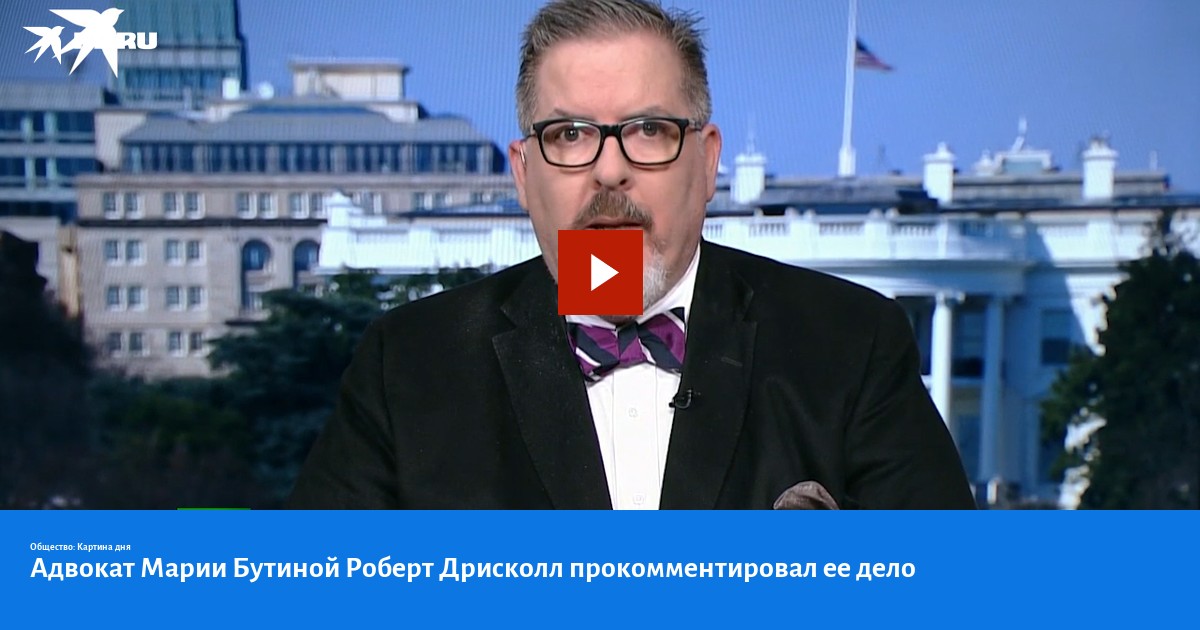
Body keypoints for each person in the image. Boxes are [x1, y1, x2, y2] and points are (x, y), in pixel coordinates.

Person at [289, 0, 974, 509]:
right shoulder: (409, 363)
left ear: (707, 162)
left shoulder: (850, 344)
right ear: (523, 174)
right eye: (569, 134)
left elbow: (948, 592)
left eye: (648, 130)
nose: (610, 170)